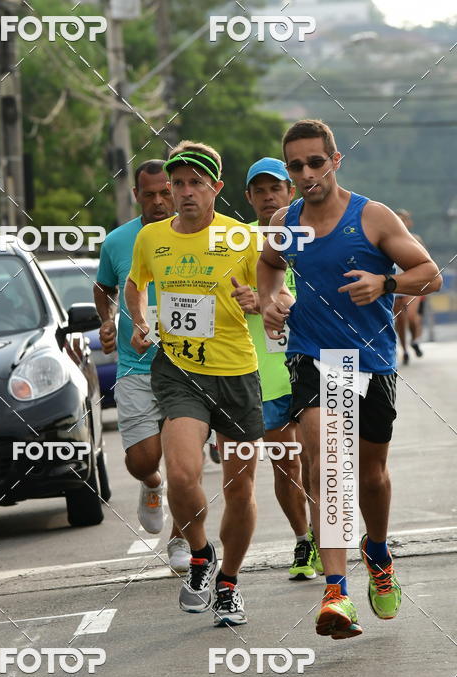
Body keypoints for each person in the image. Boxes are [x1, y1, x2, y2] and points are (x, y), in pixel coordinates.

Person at [258, 118, 441, 639]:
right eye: (296, 165)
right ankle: (336, 592)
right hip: (316, 359)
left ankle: (377, 551)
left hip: (372, 360)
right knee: (326, 462)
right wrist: (273, 302)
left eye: (316, 161)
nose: (306, 173)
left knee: (371, 476)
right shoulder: (284, 220)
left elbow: (430, 273)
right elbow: (269, 266)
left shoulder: (373, 217)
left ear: (336, 161)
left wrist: (384, 282)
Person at [126, 141, 264, 627]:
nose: (184, 193)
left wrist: (258, 301)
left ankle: (228, 582)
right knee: (182, 475)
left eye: (195, 184)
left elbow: (274, 291)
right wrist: (140, 322)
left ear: (216, 189)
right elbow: (135, 283)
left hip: (237, 375)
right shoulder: (152, 239)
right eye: (177, 184)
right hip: (179, 371)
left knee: (240, 489)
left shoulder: (242, 239)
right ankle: (201, 551)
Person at [94, 160, 191, 573]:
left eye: (165, 192)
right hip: (136, 366)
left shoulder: (197, 235)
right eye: (148, 194)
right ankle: (152, 486)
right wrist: (106, 319)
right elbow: (103, 286)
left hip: (188, 365)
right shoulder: (118, 241)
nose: (157, 201)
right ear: (136, 195)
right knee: (142, 461)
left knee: (184, 464)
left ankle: (182, 540)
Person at [244, 157, 322, 580]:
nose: (268, 195)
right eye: (259, 190)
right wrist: (248, 303)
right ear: (249, 197)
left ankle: (325, 534)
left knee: (316, 457)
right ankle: (303, 540)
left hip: (309, 362)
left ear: (290, 191)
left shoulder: (311, 236)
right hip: (266, 372)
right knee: (285, 461)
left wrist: (278, 301)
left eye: (275, 187)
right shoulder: (238, 243)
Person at [394, 209, 427, 362]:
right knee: (400, 320)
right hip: (394, 285)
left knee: (412, 317)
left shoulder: (415, 239)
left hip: (412, 284)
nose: (400, 223)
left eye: (403, 220)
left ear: (408, 223)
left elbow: (425, 263)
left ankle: (415, 340)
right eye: (397, 219)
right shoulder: (386, 239)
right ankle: (405, 350)